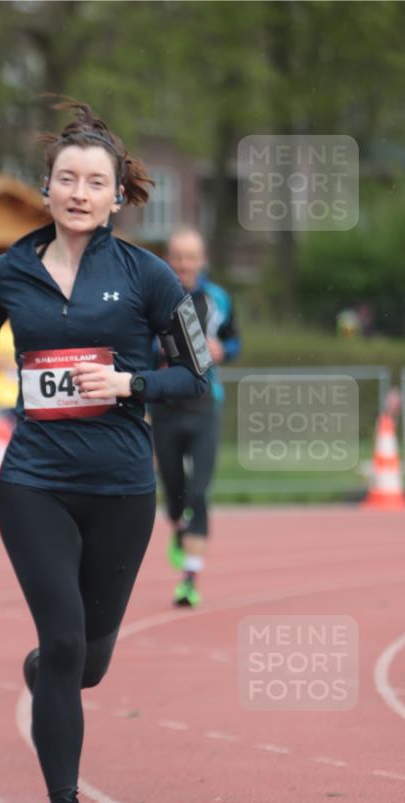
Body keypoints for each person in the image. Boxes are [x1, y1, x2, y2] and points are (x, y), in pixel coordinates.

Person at [0, 100, 207, 803]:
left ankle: (49, 676)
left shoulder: (149, 277)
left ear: (116, 196)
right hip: (35, 482)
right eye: (67, 178)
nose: (79, 192)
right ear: (47, 187)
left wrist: (129, 385)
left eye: (95, 182)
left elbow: (196, 373)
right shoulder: (7, 271)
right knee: (62, 640)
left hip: (121, 485)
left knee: (85, 665)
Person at [150, 228, 241, 608]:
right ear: (168, 259)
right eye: (177, 256)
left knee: (199, 492)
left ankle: (189, 579)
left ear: (202, 261)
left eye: (191, 257)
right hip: (165, 408)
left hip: (204, 405)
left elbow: (235, 342)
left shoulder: (217, 298)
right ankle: (177, 525)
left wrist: (224, 350)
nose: (184, 264)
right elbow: (138, 347)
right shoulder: (153, 297)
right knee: (174, 494)